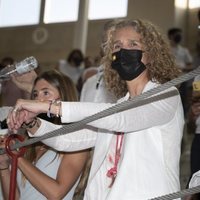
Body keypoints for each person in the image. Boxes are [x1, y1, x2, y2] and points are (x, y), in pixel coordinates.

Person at [7, 19, 184, 200]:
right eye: (117, 46)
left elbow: (122, 118)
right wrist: (32, 122)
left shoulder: (166, 95)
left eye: (133, 44)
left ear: (151, 53)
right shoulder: (118, 107)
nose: (123, 51)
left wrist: (48, 106)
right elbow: (68, 139)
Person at [0, 70, 89, 200]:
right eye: (35, 95)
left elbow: (56, 193)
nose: (38, 100)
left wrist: (17, 157)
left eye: (46, 93)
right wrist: (3, 167)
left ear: (64, 96)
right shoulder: (31, 141)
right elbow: (16, 197)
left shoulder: (76, 140)